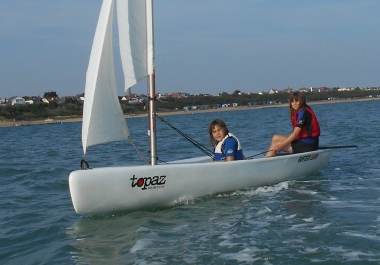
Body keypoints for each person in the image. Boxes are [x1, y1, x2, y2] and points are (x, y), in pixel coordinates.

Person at [265, 91, 320, 158]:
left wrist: (280, 146)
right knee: (275, 138)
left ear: (301, 101)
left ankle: (266, 162)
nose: (294, 104)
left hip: (309, 145)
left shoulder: (304, 113)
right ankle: (268, 159)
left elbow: (295, 134)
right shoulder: (299, 112)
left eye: (296, 101)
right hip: (304, 142)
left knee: (276, 144)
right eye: (292, 101)